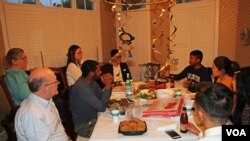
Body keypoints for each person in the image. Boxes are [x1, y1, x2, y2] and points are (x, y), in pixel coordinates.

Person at [15, 68, 68, 141]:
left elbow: (57, 127)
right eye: (55, 81)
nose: (58, 83)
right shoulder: (32, 113)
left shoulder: (47, 100)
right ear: (44, 88)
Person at [69, 60, 113, 138]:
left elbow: (103, 98)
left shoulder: (92, 82)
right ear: (91, 73)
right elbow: (101, 108)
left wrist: (108, 85)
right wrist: (107, 86)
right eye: (98, 70)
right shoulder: (81, 87)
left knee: (115, 123)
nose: (101, 72)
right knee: (111, 132)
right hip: (84, 126)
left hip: (94, 119)